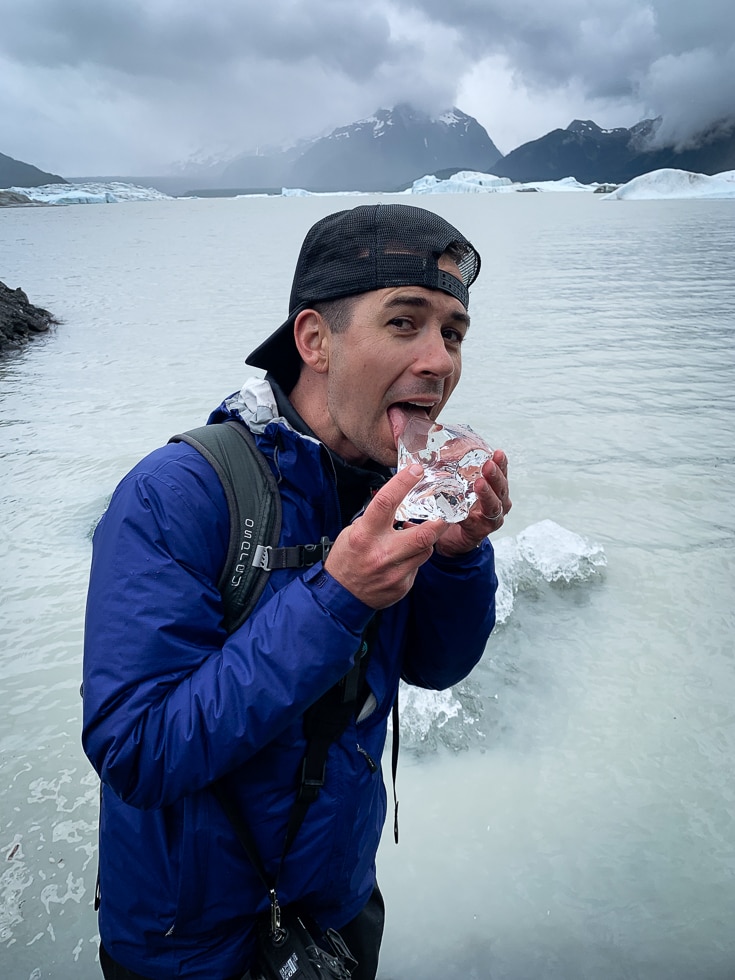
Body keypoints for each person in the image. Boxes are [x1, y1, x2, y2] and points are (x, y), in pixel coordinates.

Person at [82, 203, 511, 980]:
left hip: (338, 908)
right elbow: (136, 752)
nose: (439, 360)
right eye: (404, 323)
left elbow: (435, 666)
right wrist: (337, 596)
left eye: (452, 333)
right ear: (313, 340)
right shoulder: (177, 495)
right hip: (189, 946)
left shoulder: (397, 482)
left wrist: (456, 555)